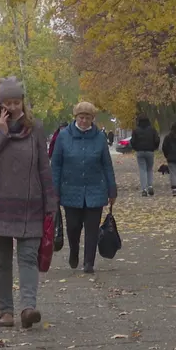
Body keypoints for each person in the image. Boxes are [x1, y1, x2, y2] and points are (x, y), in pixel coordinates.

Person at [0, 76, 57, 328]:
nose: (12, 107)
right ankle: (5, 311)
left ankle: (28, 308)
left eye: (16, 102)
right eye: (7, 103)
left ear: (23, 102)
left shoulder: (36, 128)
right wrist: (1, 134)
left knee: (28, 258)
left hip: (30, 204)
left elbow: (44, 167)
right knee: (2, 261)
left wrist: (51, 202)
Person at [51, 101, 117, 274]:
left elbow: (107, 165)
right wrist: (54, 190)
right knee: (73, 227)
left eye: (88, 118)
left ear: (92, 119)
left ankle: (89, 262)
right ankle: (74, 251)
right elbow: (56, 165)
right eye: (81, 117)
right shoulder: (64, 136)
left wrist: (112, 189)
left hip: (95, 189)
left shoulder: (100, 137)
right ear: (75, 118)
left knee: (92, 228)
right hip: (70, 189)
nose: (84, 121)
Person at [130, 115, 160, 196]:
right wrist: (154, 147)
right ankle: (150, 186)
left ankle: (144, 189)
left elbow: (132, 141)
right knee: (149, 169)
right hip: (150, 151)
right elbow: (157, 139)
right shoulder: (152, 129)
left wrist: (136, 148)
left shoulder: (136, 130)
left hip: (140, 152)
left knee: (142, 170)